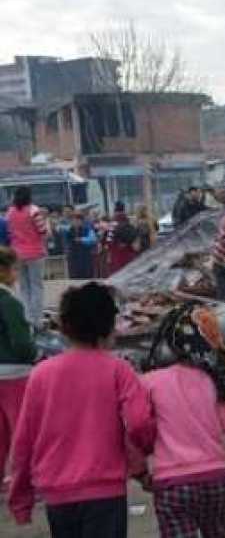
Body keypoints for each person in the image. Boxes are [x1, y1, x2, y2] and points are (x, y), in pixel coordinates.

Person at [8, 282, 155, 537]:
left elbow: (23, 442)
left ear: (64, 326)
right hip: (105, 492)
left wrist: (20, 499)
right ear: (110, 325)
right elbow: (139, 422)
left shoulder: (41, 374)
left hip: (57, 494)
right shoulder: (119, 370)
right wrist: (145, 455)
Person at [140, 304, 225, 538]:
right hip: (216, 480)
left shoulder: (149, 383)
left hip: (172, 484)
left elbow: (134, 427)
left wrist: (140, 472)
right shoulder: (221, 380)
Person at [0, 247, 37, 487]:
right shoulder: (9, 302)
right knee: (22, 429)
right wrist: (35, 354)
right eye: (14, 269)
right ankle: (25, 480)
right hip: (14, 372)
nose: (16, 274)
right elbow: (22, 342)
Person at [5, 187, 49, 329]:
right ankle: (37, 320)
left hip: (17, 253)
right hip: (35, 252)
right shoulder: (33, 210)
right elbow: (43, 231)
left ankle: (26, 317)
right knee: (36, 286)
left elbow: (9, 232)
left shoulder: (10, 212)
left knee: (23, 287)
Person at [106, 202, 139, 276]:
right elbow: (134, 235)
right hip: (128, 251)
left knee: (117, 273)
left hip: (116, 252)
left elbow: (109, 240)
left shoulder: (113, 224)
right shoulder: (128, 222)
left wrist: (108, 252)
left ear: (115, 211)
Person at [65, 212, 98, 279]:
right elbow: (67, 244)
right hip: (73, 258)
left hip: (85, 257)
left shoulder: (87, 229)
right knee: (74, 277)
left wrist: (82, 239)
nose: (75, 222)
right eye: (73, 220)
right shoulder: (69, 231)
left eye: (77, 220)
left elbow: (93, 239)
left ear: (81, 221)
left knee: (87, 277)